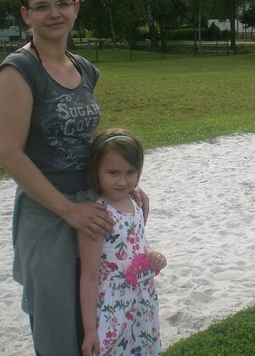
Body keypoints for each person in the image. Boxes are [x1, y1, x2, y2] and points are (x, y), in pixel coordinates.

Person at [0, 0, 148, 355]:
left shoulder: (83, 68)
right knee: (58, 326)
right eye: (41, 6)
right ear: (26, 15)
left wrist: (123, 180)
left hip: (91, 204)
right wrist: (68, 211)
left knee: (101, 313)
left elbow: (88, 137)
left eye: (62, 3)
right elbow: (9, 153)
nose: (54, 13)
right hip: (48, 211)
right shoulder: (19, 71)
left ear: (76, 9)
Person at [79, 128, 166, 356]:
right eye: (113, 172)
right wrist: (89, 330)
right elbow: (88, 276)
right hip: (113, 306)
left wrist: (152, 254)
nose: (122, 181)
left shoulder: (135, 203)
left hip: (142, 300)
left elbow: (135, 244)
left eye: (130, 172)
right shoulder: (98, 216)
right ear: (96, 170)